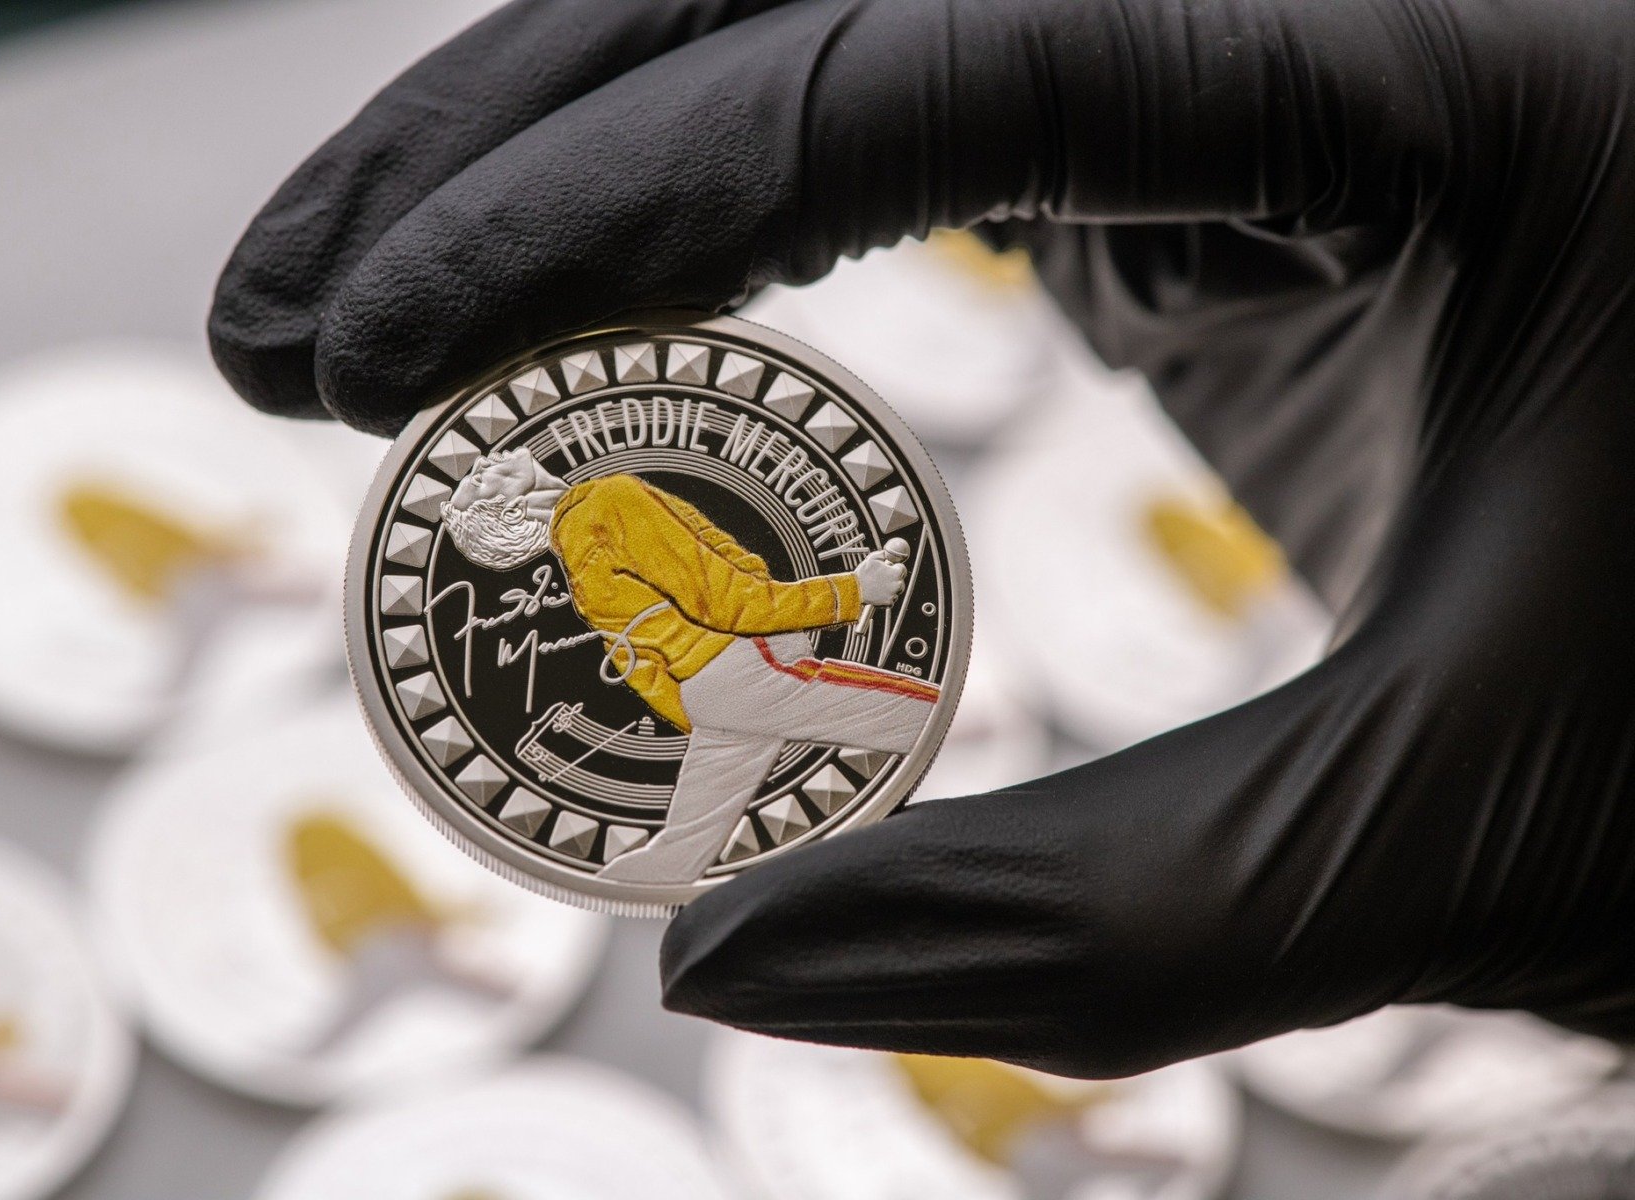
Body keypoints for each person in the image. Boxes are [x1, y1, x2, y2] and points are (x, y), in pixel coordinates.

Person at [209, 0, 1635, 1076]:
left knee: (798, 760)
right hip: (717, 675)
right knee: (849, 726)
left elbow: (714, 590)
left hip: (697, 684)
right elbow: (727, 592)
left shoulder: (593, 521)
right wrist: (852, 582)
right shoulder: (612, 509)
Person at [441, 447, 928, 884]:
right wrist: (852, 592)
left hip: (708, 695)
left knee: (674, 859)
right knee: (927, 714)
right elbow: (727, 601)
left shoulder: (577, 558)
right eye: (479, 480)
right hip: (745, 666)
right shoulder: (605, 504)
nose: (481, 461)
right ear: (512, 509)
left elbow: (639, 666)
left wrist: (709, 714)